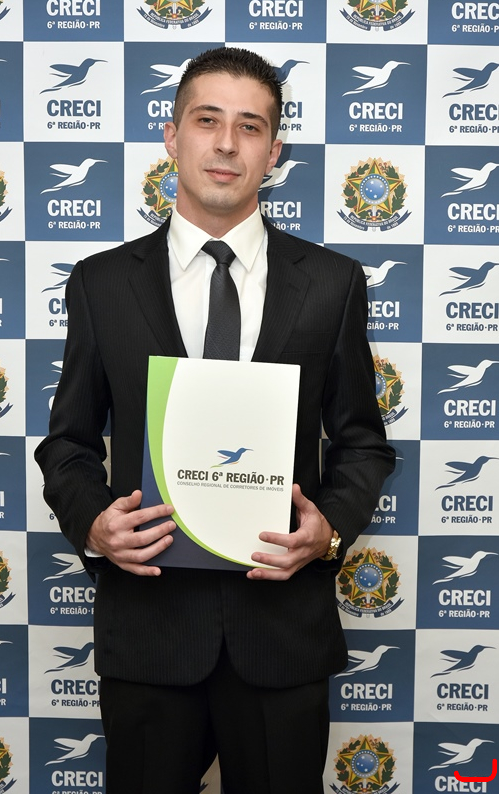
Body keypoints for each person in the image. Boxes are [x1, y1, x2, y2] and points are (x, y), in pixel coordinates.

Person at [35, 47, 396, 794]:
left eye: (249, 126)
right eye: (207, 121)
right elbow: (68, 443)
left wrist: (327, 531)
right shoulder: (102, 283)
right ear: (173, 136)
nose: (227, 143)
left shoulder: (333, 283)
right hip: (150, 632)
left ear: (274, 151)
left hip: (282, 636)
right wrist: (94, 524)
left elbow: (362, 443)